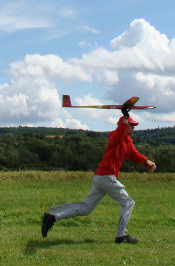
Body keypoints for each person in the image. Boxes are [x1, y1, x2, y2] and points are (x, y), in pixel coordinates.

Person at [42, 103, 157, 244]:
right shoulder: (115, 135)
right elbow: (118, 134)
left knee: (86, 208)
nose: (133, 128)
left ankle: (52, 217)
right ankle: (121, 236)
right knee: (128, 203)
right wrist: (125, 116)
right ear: (125, 124)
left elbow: (134, 155)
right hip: (107, 177)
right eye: (131, 125)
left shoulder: (127, 141)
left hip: (101, 178)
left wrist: (147, 162)